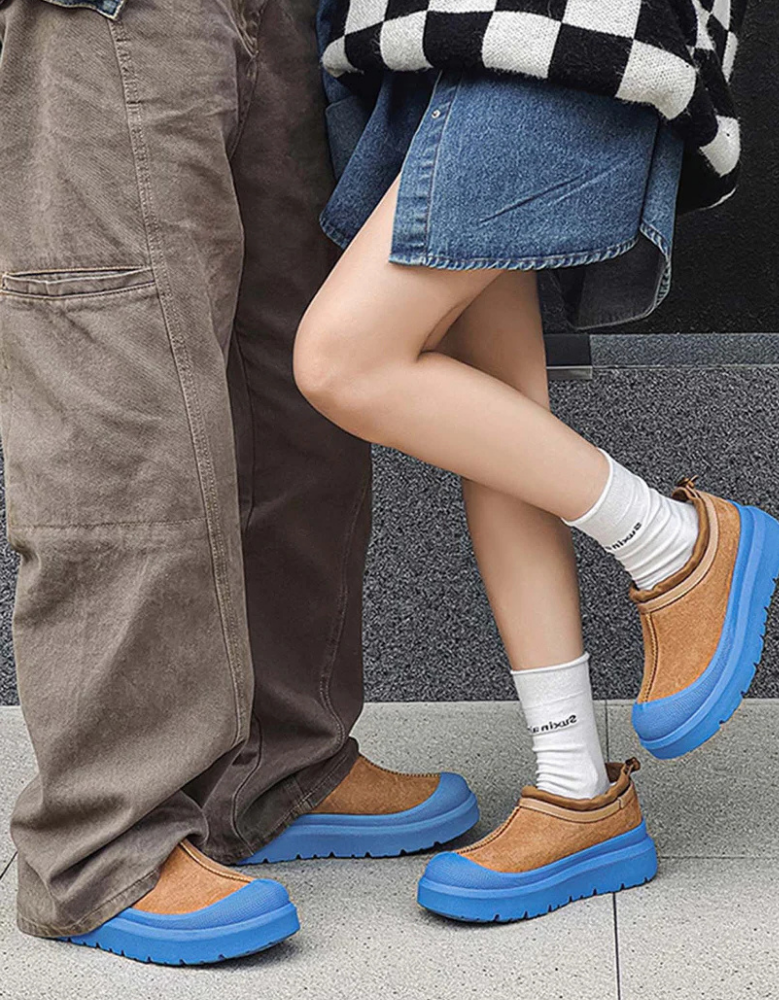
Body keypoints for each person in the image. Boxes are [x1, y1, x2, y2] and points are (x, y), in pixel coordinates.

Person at [0, 0, 478, 966]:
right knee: (121, 395)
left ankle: (275, 769)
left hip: (286, 18)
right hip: (103, 19)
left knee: (296, 392)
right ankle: (103, 837)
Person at [294, 0, 779, 923]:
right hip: (431, 36)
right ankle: (575, 788)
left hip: (547, 24)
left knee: (343, 359)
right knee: (503, 419)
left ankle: (674, 545)